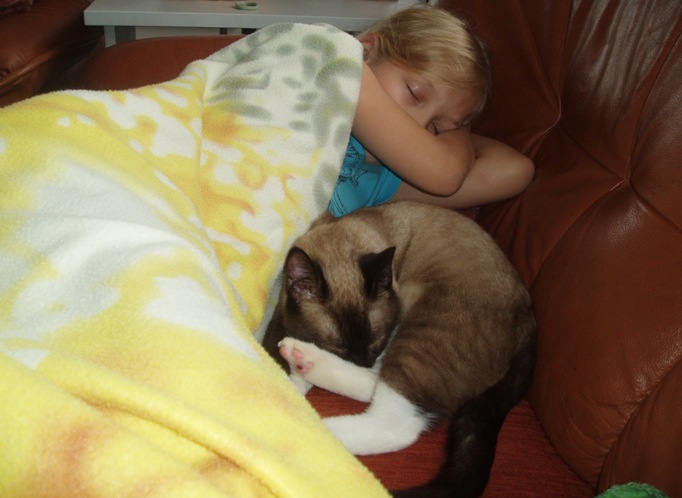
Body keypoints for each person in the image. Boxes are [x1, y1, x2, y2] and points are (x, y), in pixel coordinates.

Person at [328, 6, 534, 217]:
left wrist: (456, 124)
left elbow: (513, 171)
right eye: (415, 94)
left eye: (435, 128)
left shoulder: (376, 179)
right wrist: (448, 129)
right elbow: (444, 174)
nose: (418, 125)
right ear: (365, 52)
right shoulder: (332, 70)